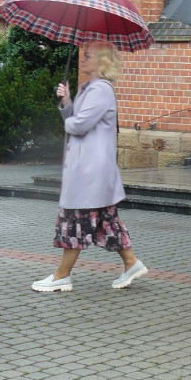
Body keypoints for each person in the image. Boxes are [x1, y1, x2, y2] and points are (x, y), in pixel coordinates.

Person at [32, 41, 148, 292]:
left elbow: (79, 125)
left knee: (74, 220)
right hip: (90, 169)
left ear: (103, 62)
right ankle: (131, 262)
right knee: (106, 222)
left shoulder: (100, 90)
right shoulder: (90, 88)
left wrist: (69, 122)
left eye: (88, 56)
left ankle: (62, 275)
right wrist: (67, 101)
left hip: (90, 172)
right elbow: (75, 117)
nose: (83, 59)